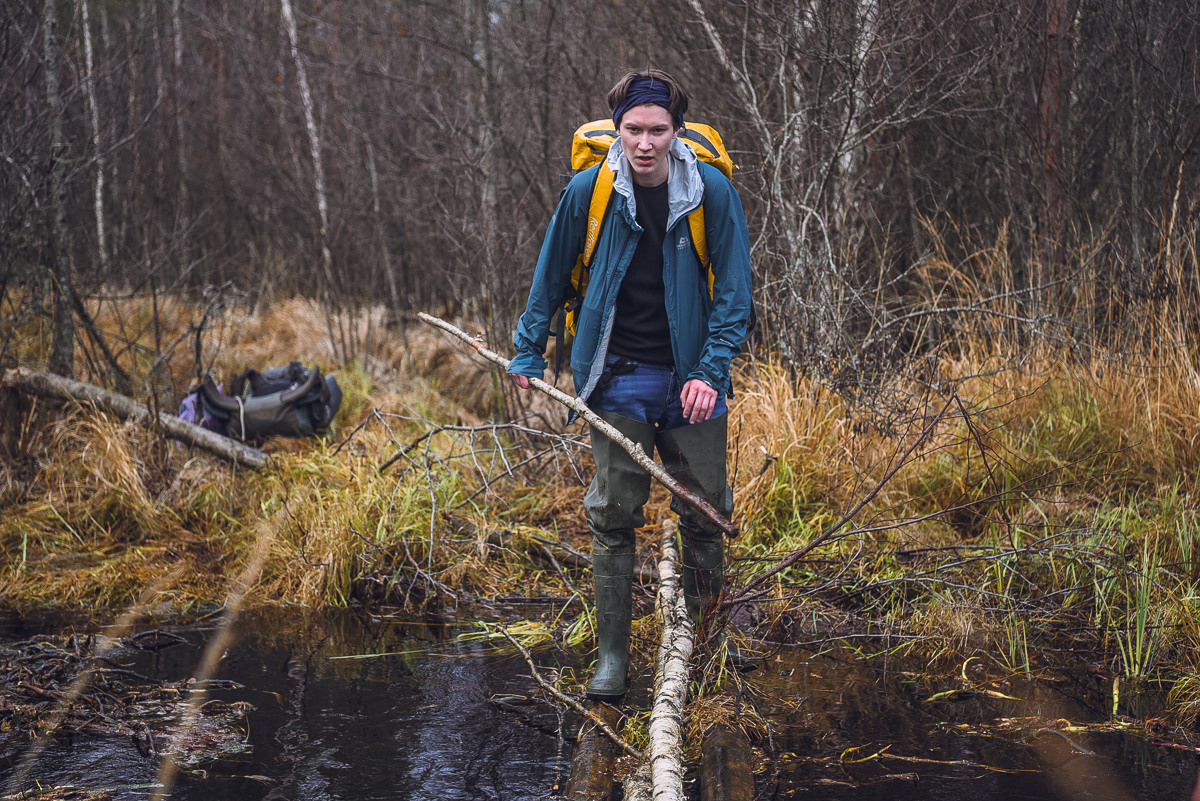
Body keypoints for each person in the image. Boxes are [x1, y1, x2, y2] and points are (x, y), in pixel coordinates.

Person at [507, 69, 754, 702]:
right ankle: (612, 659)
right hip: (614, 375)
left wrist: (710, 371)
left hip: (691, 378)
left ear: (678, 132)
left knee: (707, 508)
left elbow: (734, 294)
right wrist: (528, 350)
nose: (645, 143)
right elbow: (551, 272)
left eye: (658, 131)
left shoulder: (712, 193)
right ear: (618, 129)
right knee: (614, 514)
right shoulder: (590, 191)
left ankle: (708, 640)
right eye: (634, 130)